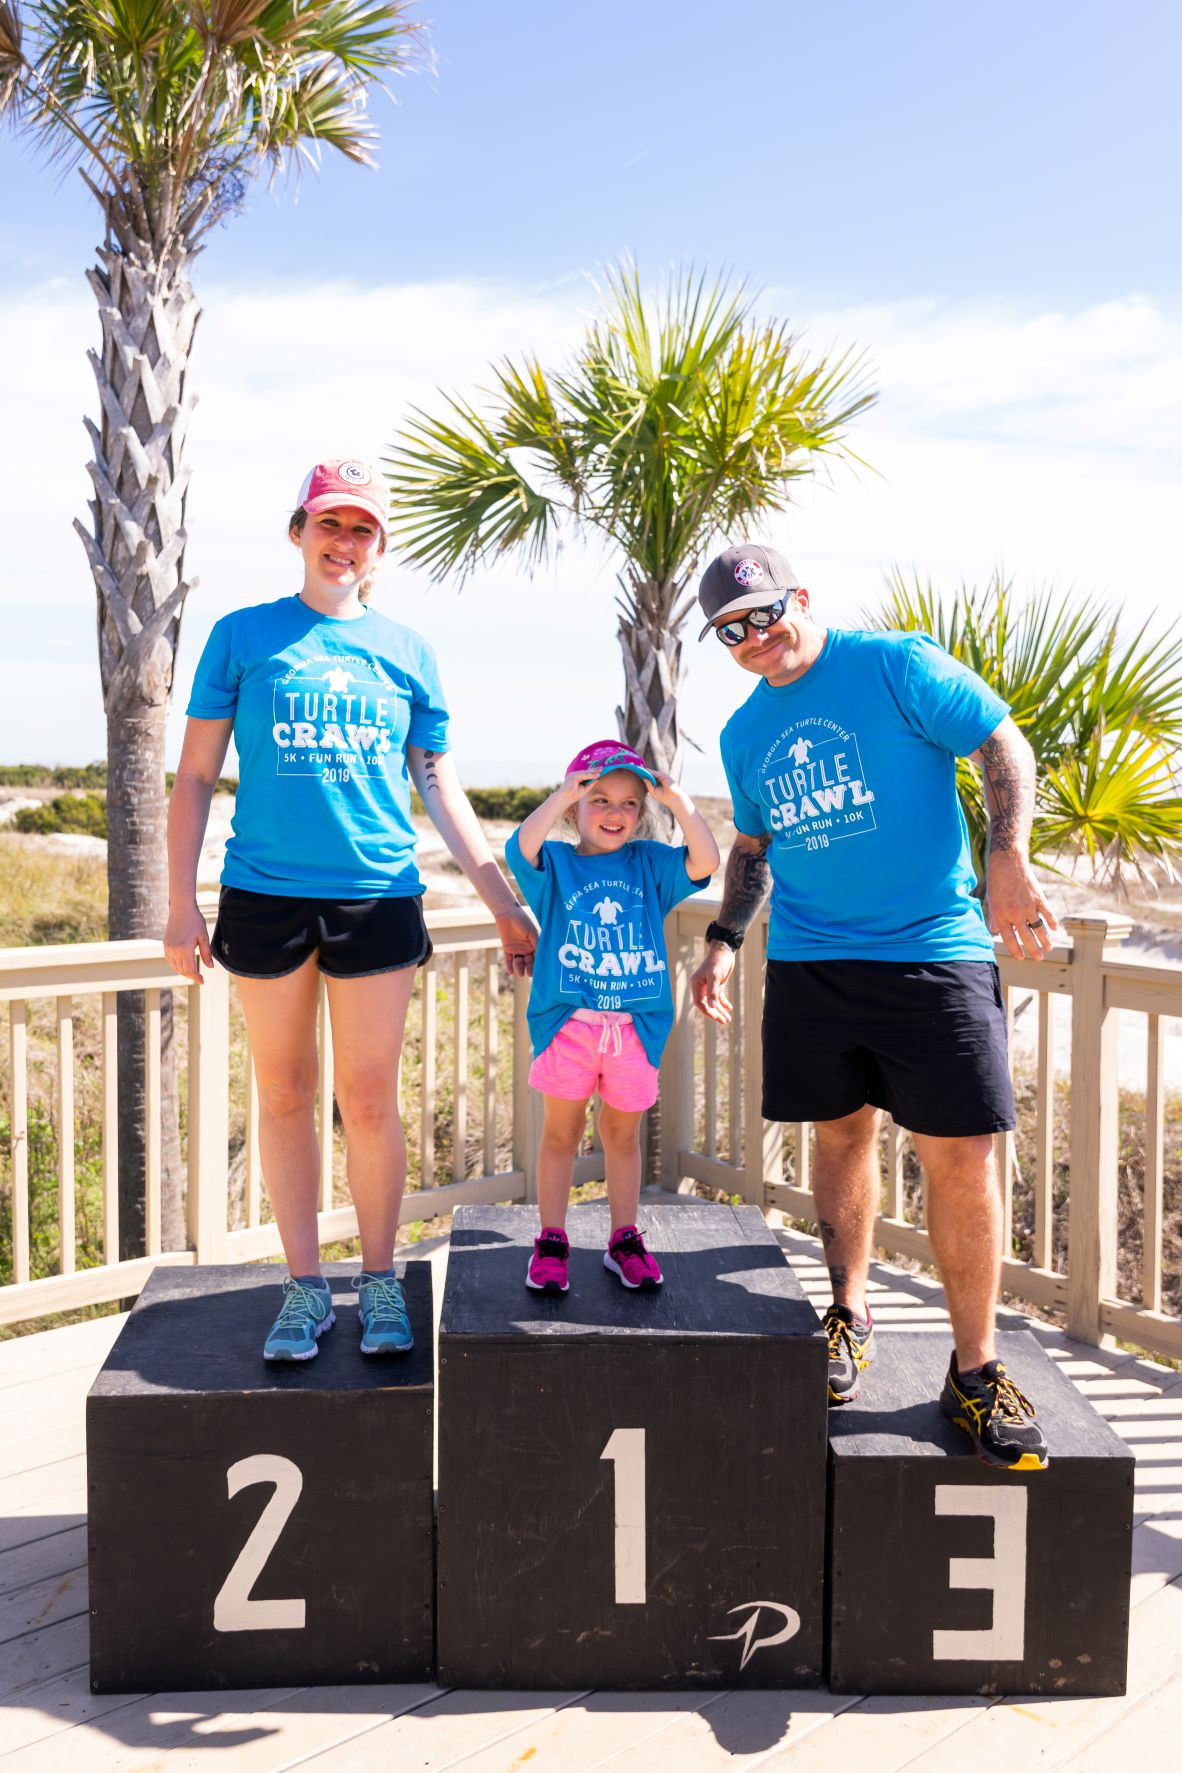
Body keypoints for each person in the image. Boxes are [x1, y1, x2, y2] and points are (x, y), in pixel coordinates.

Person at [690, 544, 1057, 1471]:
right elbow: (753, 847)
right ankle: (848, 1312)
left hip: (934, 951)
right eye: (731, 629)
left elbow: (1002, 742)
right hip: (815, 962)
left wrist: (1005, 854)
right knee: (840, 1138)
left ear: (800, 597)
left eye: (763, 613)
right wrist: (725, 939)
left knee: (962, 1159)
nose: (752, 636)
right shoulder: (743, 733)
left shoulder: (895, 664)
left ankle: (974, 1372)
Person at [164, 457, 536, 1361]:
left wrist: (501, 899)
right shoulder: (243, 636)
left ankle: (379, 1282)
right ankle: (302, 1289)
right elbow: (198, 775)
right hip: (261, 896)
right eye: (329, 523)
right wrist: (181, 901)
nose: (344, 541)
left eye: (362, 528)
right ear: (299, 532)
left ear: (378, 549)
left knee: (367, 1096)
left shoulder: (407, 650)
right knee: (285, 1093)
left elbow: (438, 780)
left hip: (377, 896)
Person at [506, 741, 719, 1294]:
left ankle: (624, 1239)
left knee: (622, 1137)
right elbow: (518, 847)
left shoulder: (650, 864)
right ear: (576, 805)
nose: (614, 813)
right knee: (561, 1134)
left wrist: (678, 802)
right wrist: (561, 795)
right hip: (568, 1027)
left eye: (629, 803)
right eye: (598, 799)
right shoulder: (556, 864)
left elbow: (706, 862)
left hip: (632, 1031)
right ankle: (551, 1241)